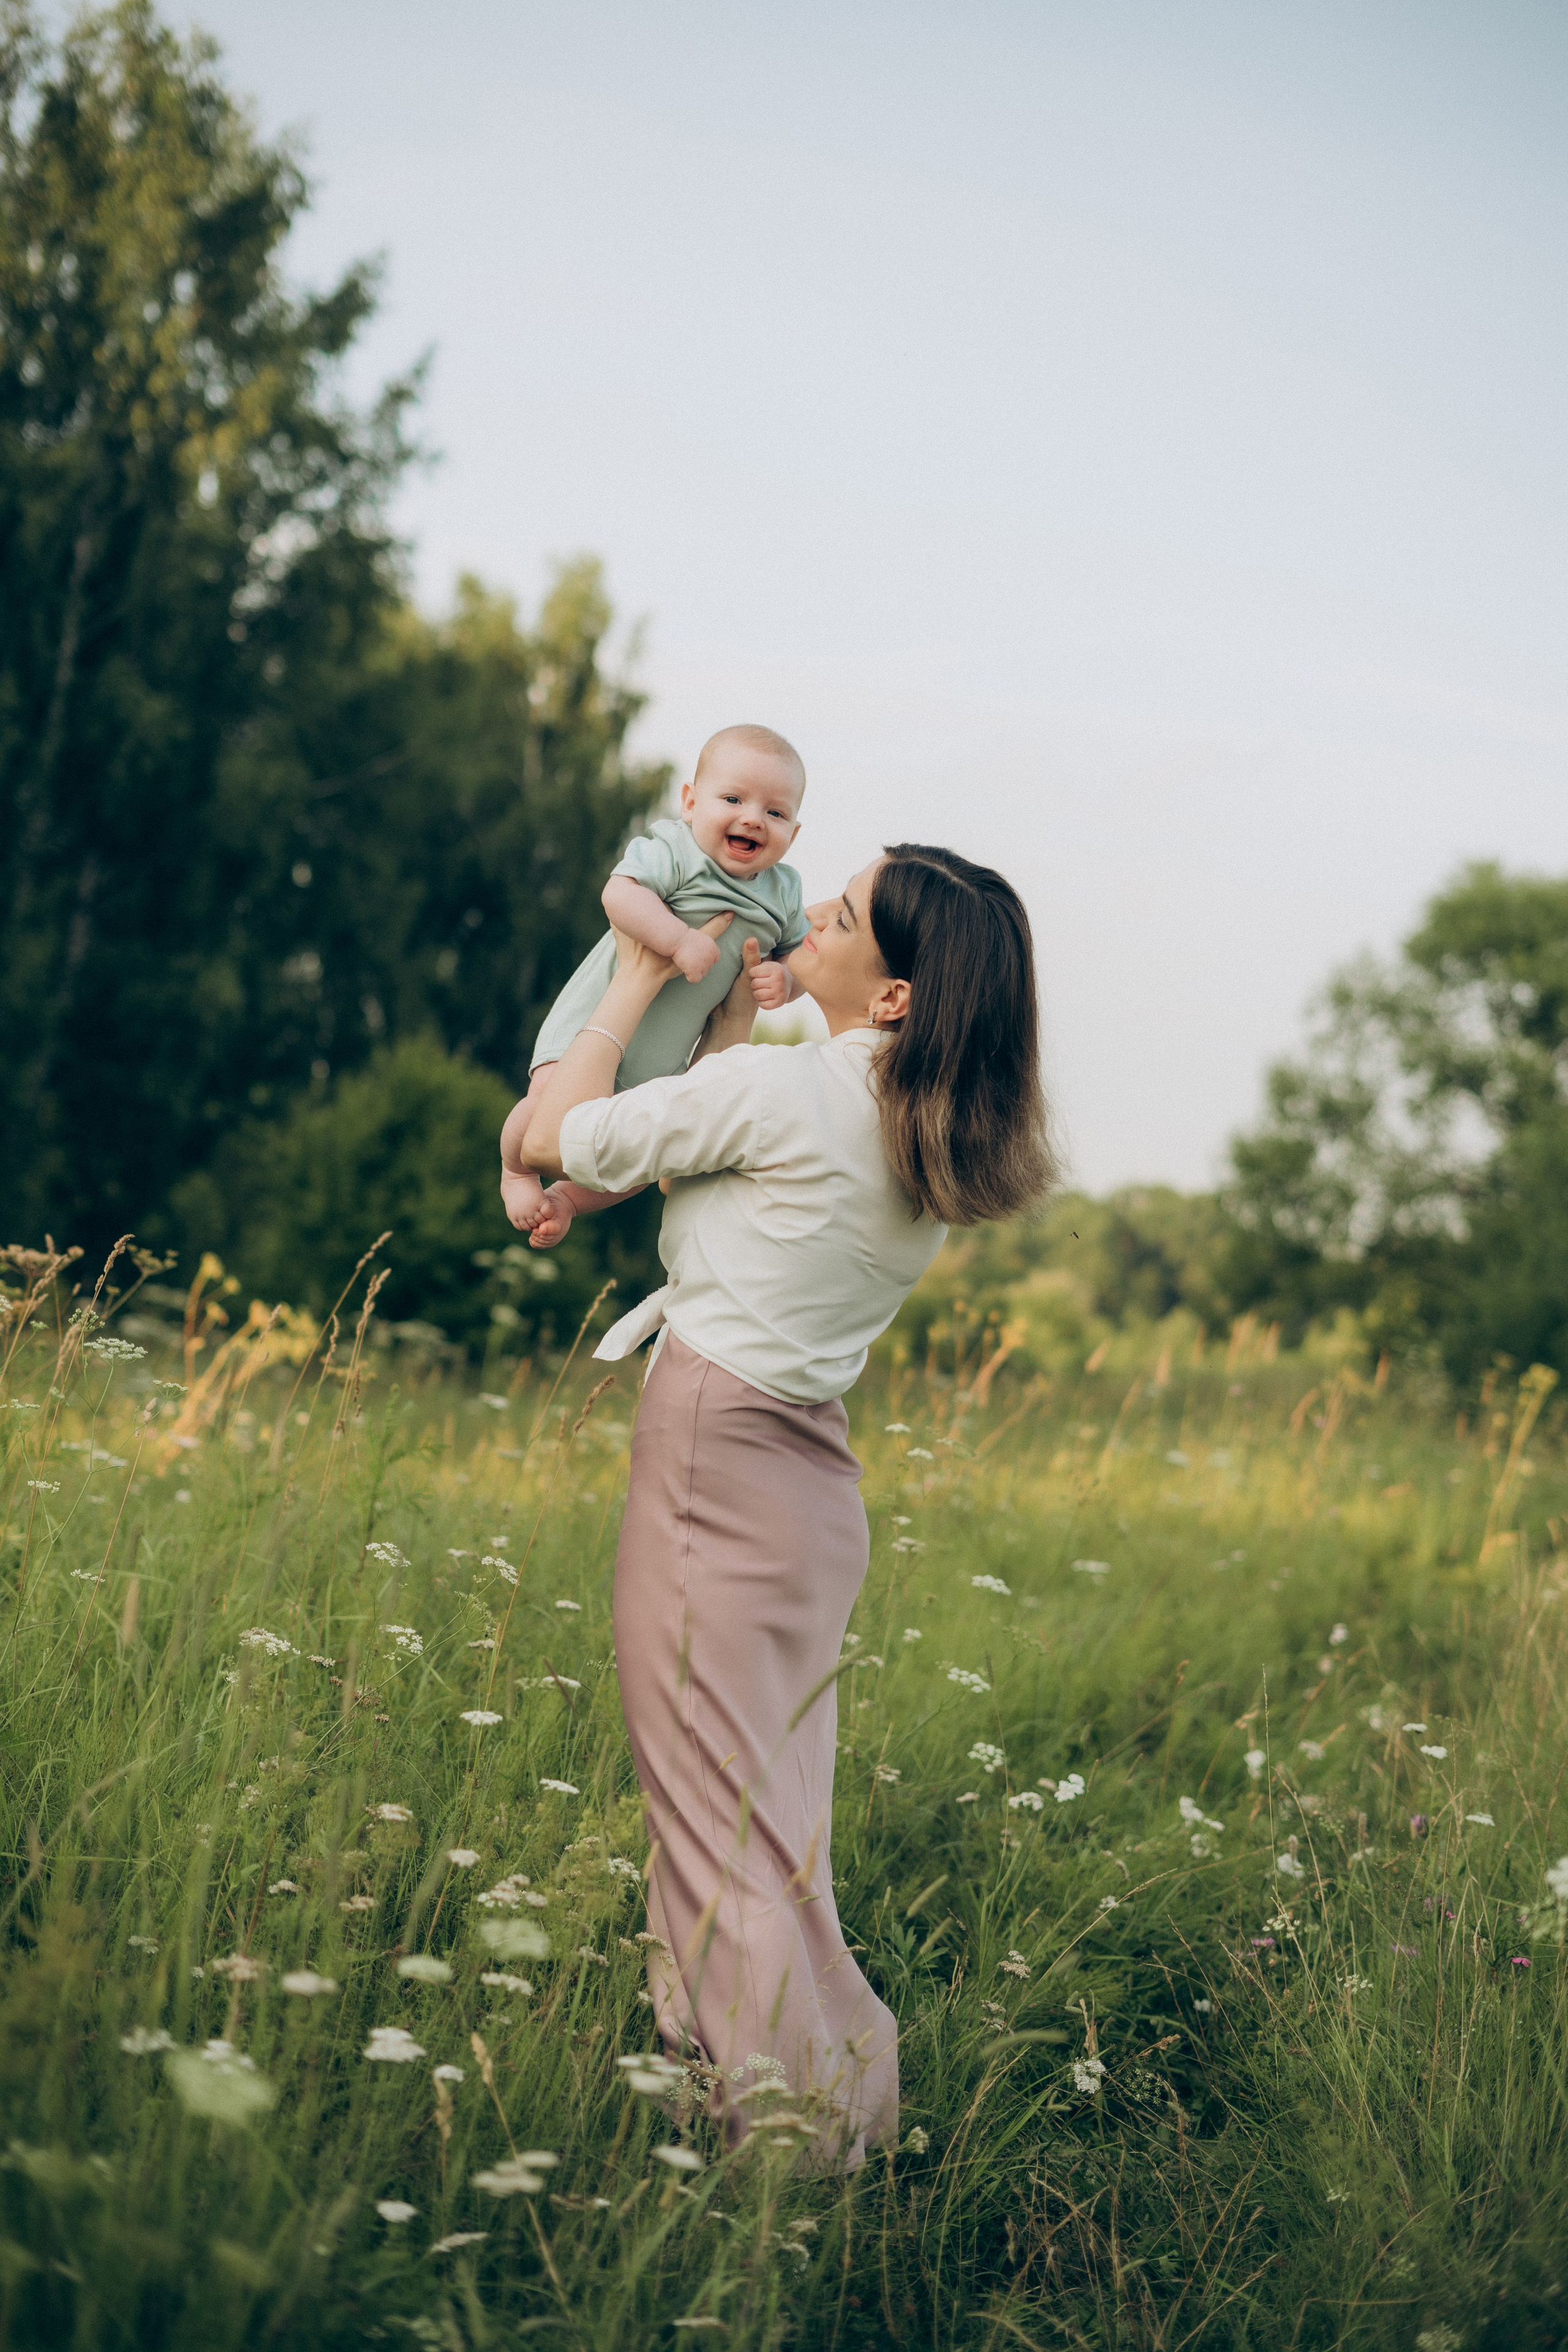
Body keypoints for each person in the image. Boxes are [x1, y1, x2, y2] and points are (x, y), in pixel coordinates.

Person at [510, 843, 1055, 2166]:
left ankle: (786, 2148)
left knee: (709, 1821)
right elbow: (752, 1082)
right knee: (767, 1822)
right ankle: (820, 2095)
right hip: (811, 1481)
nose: (815, 910)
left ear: (897, 999)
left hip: (714, 1455)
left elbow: (549, 1136)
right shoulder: (911, 1130)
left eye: (849, 915)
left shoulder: (785, 1096)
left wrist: (628, 983)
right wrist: (750, 1011)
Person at [499, 723, 810, 1248]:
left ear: (793, 834)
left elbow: (800, 955)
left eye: (775, 812)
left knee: (646, 1158)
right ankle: (517, 1172)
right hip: (592, 1026)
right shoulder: (676, 849)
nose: (753, 818)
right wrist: (677, 939)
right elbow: (620, 896)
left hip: (659, 1061)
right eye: (733, 798)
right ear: (690, 803)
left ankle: (568, 1199)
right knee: (550, 1104)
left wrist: (786, 978)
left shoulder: (785, 891)